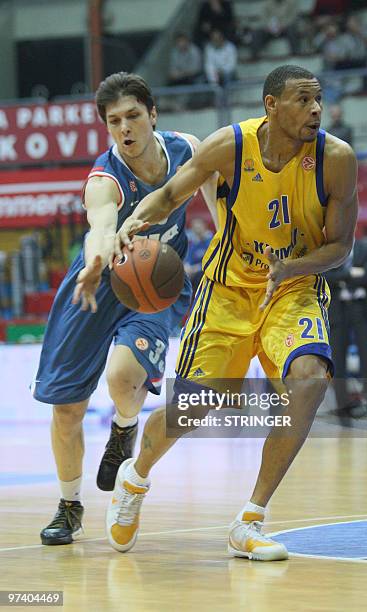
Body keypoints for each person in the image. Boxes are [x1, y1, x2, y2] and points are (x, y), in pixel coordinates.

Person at [80, 65, 358, 560]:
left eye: (318, 100)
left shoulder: (336, 159)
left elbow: (340, 246)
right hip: (226, 291)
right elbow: (168, 195)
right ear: (271, 106)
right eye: (302, 100)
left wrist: (292, 265)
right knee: (193, 406)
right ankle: (135, 479)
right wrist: (132, 224)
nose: (315, 109)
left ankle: (250, 519)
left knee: (310, 378)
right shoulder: (229, 145)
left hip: (293, 287)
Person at [32, 72, 217, 546]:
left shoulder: (187, 149)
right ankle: (69, 506)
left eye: (133, 115)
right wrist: (96, 261)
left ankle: (125, 427)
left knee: (122, 377)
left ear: (153, 115)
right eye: (114, 121)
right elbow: (100, 223)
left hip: (153, 286)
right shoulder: (104, 178)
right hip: (97, 281)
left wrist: (224, 239)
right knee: (67, 408)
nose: (125, 128)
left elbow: (215, 183)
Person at [325, 238, 367, 426]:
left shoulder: (364, 248)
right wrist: (352, 273)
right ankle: (344, 414)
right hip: (338, 312)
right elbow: (327, 277)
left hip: (361, 310)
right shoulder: (329, 249)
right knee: (338, 366)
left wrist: (342, 276)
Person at [184, 217, 214, 292]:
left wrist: (196, 268)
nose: (197, 230)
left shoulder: (212, 241)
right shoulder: (194, 243)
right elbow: (189, 259)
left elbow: (212, 262)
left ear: (204, 226)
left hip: (206, 272)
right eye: (194, 228)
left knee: (199, 276)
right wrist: (187, 266)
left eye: (198, 227)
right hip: (193, 272)